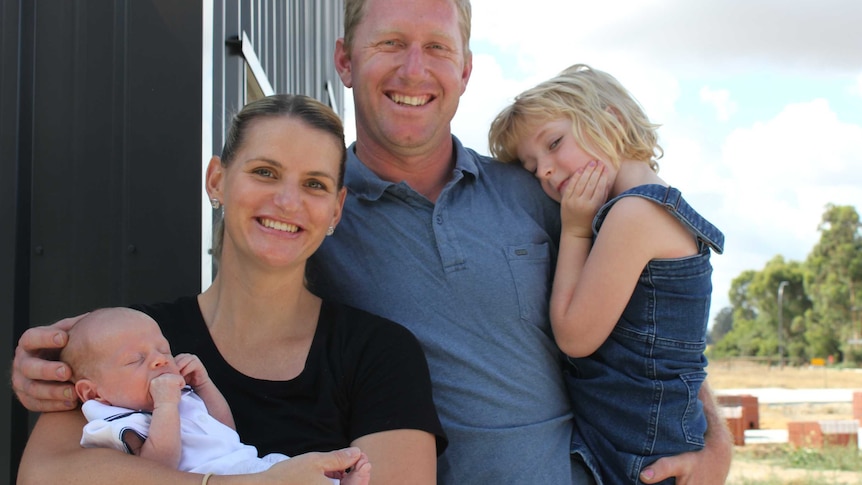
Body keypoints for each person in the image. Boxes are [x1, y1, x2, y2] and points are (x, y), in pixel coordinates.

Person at [13, 1, 731, 484]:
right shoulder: (314, 204)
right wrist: (55, 363)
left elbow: (646, 307)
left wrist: (713, 430)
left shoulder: (533, 192)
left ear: (465, 71)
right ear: (345, 62)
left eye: (436, 49)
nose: (414, 70)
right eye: (389, 44)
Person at [14, 94, 446, 485]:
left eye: (314, 184)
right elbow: (45, 475)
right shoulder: (135, 338)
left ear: (336, 208)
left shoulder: (380, 354)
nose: (288, 202)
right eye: (265, 172)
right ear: (217, 180)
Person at [488, 63, 725, 484]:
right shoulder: (651, 207)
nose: (543, 169)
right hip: (633, 438)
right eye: (530, 166)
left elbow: (575, 337)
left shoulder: (633, 214)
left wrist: (577, 230)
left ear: (611, 119)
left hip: (644, 453)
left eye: (555, 142)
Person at [60, 307, 370, 484]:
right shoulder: (115, 421)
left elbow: (226, 432)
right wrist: (167, 405)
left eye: (163, 350)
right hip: (209, 477)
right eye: (135, 360)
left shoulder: (177, 396)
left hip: (246, 464)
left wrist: (204, 385)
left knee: (291, 470)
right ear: (93, 392)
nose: (159, 360)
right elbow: (156, 466)